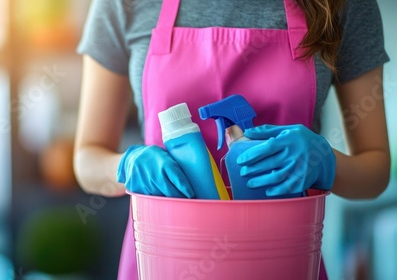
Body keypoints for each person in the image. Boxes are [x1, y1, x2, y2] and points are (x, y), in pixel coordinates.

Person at [73, 0, 391, 279]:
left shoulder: (341, 4)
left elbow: (375, 171)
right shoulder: (123, 3)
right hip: (161, 262)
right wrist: (127, 166)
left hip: (284, 263)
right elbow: (86, 160)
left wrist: (326, 163)